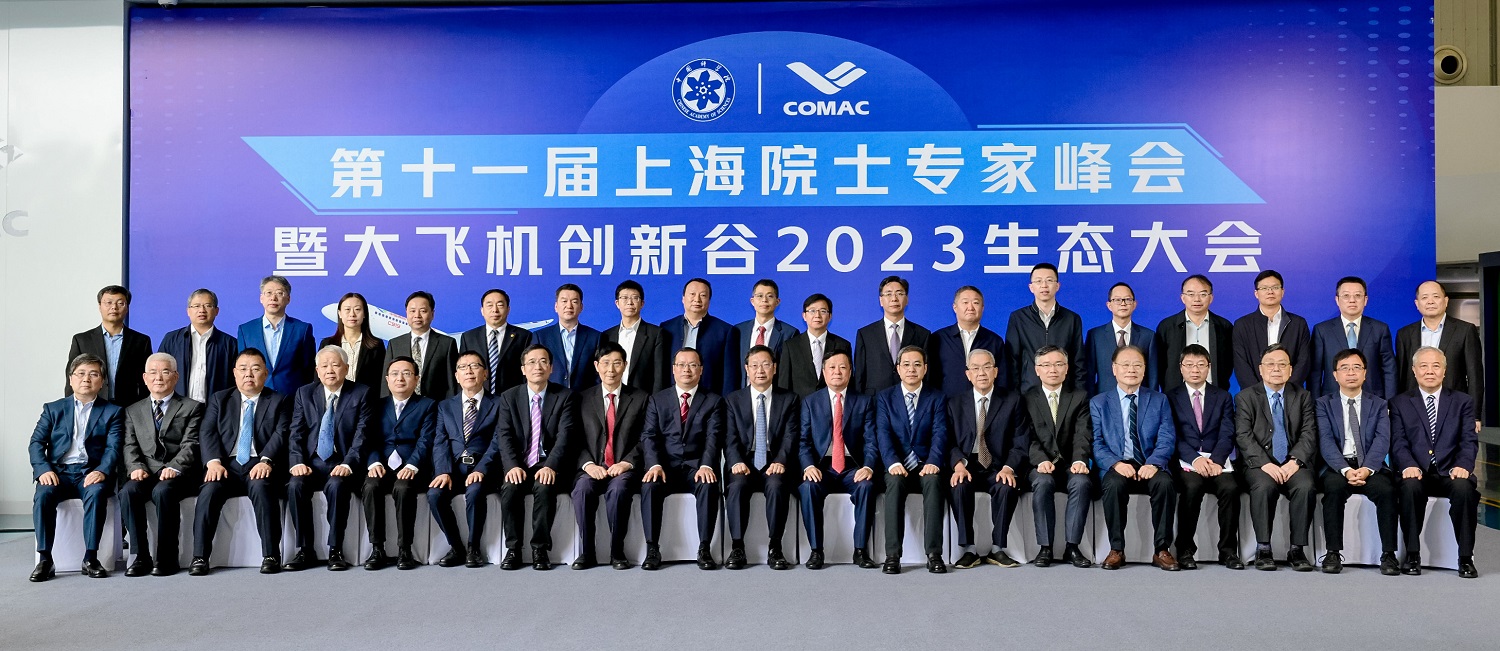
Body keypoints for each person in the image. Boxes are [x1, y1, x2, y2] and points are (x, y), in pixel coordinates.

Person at [190, 348, 291, 576]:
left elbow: (281, 433)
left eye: (255, 369)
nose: (249, 374)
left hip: (260, 463)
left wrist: (266, 461)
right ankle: (200, 557)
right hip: (226, 465)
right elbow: (207, 431)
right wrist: (213, 462)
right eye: (243, 369)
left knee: (262, 487)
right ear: (234, 373)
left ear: (265, 373)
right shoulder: (220, 399)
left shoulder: (279, 400)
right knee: (209, 490)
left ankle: (271, 555)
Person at [29, 354, 124, 582]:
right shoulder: (53, 409)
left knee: (97, 492)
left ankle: (90, 558)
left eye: (93, 374)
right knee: (43, 495)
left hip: (90, 472)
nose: (86, 379)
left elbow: (113, 448)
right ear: (71, 379)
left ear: (102, 381)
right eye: (80, 374)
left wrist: (102, 470)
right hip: (58, 472)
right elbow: (36, 443)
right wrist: (43, 470)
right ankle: (45, 560)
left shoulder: (112, 411)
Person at [284, 345, 375, 571]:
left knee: (337, 485)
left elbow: (363, 435)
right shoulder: (304, 393)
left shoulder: (361, 393)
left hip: (342, 461)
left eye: (335, 365)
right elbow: (296, 433)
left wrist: (348, 463)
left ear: (346, 368)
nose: (330, 370)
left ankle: (336, 550)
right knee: (295, 485)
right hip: (311, 462)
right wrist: (297, 462)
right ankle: (305, 550)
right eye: (324, 366)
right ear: (317, 370)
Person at [1391, 346, 1479, 578]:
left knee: (1464, 489)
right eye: (1424, 366)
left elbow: (1468, 440)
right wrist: (1408, 465)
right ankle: (1412, 555)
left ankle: (1465, 558)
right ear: (1414, 370)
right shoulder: (1399, 402)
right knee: (1410, 487)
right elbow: (1398, 441)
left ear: (1444, 370)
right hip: (1416, 471)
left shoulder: (1462, 401)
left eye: (1436, 366)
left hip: (1451, 471)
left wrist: (1464, 465)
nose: (1430, 371)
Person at [1091, 345, 1179, 571]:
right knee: (1113, 485)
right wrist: (1115, 463)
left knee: (1165, 484)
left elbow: (1167, 438)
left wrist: (1154, 462)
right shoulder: (1099, 402)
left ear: (1144, 369)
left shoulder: (1159, 400)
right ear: (1114, 369)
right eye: (1126, 365)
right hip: (1118, 463)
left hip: (1149, 462)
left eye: (1137, 365)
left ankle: (1162, 549)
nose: (1131, 370)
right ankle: (1116, 550)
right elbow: (1097, 442)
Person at [639, 348, 726, 570]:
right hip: (665, 468)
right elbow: (649, 436)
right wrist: (655, 464)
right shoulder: (657, 400)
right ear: (673, 369)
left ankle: (704, 548)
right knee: (649, 485)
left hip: (696, 467)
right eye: (681, 365)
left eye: (692, 365)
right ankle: (652, 549)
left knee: (708, 484)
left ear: (701, 370)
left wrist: (706, 465)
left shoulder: (713, 401)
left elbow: (713, 437)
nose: (687, 370)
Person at [1315, 349, 1399, 575]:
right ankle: (1333, 552)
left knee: (1387, 492)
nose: (1351, 373)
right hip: (1337, 466)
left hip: (1370, 465)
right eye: (1344, 368)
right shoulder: (1323, 404)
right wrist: (1344, 469)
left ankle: (1389, 554)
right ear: (1335, 375)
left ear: (1365, 373)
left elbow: (1382, 439)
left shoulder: (1379, 404)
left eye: (1356, 368)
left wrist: (1367, 469)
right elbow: (1325, 440)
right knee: (1333, 490)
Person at [119, 353, 204, 577]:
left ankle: (167, 558)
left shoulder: (192, 407)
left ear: (175, 377)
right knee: (128, 491)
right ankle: (140, 556)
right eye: (153, 372)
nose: (158, 377)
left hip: (180, 474)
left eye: (165, 372)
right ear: (145, 378)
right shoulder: (132, 410)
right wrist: (135, 467)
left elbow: (191, 444)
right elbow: (129, 445)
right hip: (146, 472)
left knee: (163, 491)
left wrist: (175, 467)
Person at [1235, 344, 1317, 571]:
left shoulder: (1302, 396)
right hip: (1259, 464)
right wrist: (1265, 463)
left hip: (1293, 463)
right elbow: (1243, 435)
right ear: (1260, 369)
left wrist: (1295, 461)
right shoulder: (1245, 397)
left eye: (1282, 364)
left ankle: (1297, 549)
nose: (1276, 369)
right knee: (1263, 487)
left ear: (1290, 370)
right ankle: (1263, 549)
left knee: (1305, 486)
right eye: (1270, 364)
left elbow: (1309, 433)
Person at [494, 344, 576, 571]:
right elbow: (504, 435)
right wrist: (511, 466)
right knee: (510, 488)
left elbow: (565, 436)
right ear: (523, 369)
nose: (537, 367)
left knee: (544, 486)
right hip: (520, 463)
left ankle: (540, 549)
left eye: (543, 362)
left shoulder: (565, 396)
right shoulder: (509, 397)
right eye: (531, 362)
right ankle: (513, 549)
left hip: (548, 462)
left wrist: (551, 466)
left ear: (551, 368)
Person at [946, 349, 1030, 569]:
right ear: (968, 374)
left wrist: (1009, 467)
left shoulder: (1013, 400)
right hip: (967, 464)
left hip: (999, 465)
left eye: (986, 367)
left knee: (1007, 486)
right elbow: (948, 441)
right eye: (975, 368)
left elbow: (1020, 441)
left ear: (995, 371)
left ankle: (997, 548)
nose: (981, 373)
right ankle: (969, 549)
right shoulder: (955, 403)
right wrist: (958, 465)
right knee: (959, 486)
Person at [798, 350, 880, 570]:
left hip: (853, 467)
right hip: (822, 467)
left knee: (867, 486)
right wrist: (808, 466)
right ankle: (816, 551)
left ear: (850, 372)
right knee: (807, 487)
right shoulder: (810, 402)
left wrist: (868, 466)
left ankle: (860, 551)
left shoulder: (864, 402)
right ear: (824, 372)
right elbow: (803, 441)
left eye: (843, 367)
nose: (837, 372)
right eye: (832, 367)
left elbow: (871, 441)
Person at [570, 342, 648, 570]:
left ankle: (617, 552)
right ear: (596, 366)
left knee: (619, 489)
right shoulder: (582, 399)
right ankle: (587, 552)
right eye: (605, 363)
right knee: (583, 489)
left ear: (625, 365)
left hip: (624, 468)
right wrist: (587, 464)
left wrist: (627, 463)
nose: (611, 369)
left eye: (616, 363)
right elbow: (573, 438)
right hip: (592, 466)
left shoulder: (641, 398)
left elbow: (646, 437)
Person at [722, 345, 800, 570]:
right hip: (744, 461)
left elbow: (791, 436)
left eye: (766, 365)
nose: (760, 370)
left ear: (774, 368)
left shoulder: (789, 399)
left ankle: (775, 547)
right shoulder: (733, 400)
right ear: (746, 369)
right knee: (737, 486)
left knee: (776, 485)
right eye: (755, 365)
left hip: (774, 461)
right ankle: (737, 547)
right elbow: (729, 437)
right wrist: (736, 461)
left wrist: (781, 461)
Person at [1166, 345, 1243, 570]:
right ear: (1181, 368)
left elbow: (1227, 432)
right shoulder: (1170, 397)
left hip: (1217, 461)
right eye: (1189, 365)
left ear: (1209, 367)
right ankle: (1185, 550)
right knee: (1192, 487)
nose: (1195, 370)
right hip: (1186, 461)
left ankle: (1228, 551)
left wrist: (1217, 460)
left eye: (1201, 365)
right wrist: (1195, 459)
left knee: (1230, 488)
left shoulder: (1223, 396)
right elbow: (1172, 435)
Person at [875, 345, 948, 574]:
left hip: (927, 463)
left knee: (934, 482)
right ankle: (892, 555)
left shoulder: (937, 397)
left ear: (925, 368)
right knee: (894, 484)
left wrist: (933, 461)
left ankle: (934, 554)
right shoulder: (885, 397)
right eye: (906, 364)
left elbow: (940, 433)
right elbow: (883, 433)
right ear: (898, 369)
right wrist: (893, 462)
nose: (911, 369)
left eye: (917, 364)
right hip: (898, 464)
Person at [427, 350, 503, 568]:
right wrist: (443, 471)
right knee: (434, 495)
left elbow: (498, 441)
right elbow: (440, 441)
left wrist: (482, 469)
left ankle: (473, 548)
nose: (469, 371)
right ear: (457, 376)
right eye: (463, 367)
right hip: (453, 469)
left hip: (484, 469)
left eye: (475, 366)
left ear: (485, 374)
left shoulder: (499, 403)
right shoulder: (445, 406)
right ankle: (456, 547)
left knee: (476, 491)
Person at [360, 356, 437, 571]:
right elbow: (368, 438)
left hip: (412, 467)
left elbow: (426, 440)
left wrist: (412, 465)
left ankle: (405, 549)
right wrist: (374, 462)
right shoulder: (376, 405)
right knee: (371, 486)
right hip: (382, 466)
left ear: (416, 379)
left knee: (403, 488)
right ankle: (377, 549)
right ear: (387, 379)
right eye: (394, 374)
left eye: (406, 373)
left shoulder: (428, 405)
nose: (400, 378)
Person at [1022, 345, 1094, 568]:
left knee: (1081, 483)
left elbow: (1083, 433)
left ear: (1067, 368)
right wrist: (1040, 460)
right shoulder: (1026, 398)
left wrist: (1080, 460)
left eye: (1058, 364)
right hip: (1040, 464)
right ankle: (1045, 547)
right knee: (1043, 483)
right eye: (1046, 365)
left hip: (1071, 464)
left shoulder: (1079, 396)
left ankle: (1072, 547)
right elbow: (1026, 436)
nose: (1052, 370)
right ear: (1037, 370)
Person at [1396, 280, 1484, 434]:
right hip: (1414, 409)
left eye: (1436, 296)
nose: (1430, 301)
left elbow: (1475, 375)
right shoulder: (1404, 334)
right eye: (1424, 297)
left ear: (1446, 301)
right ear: (1417, 304)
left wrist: (1474, 415)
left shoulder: (1465, 330)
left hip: (1454, 409)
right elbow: (1402, 376)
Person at [1310, 277, 1397, 400]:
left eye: (1357, 295)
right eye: (1346, 296)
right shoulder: (1322, 330)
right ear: (1337, 300)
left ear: (1365, 300)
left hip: (1373, 399)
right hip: (1332, 400)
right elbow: (1315, 372)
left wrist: (1389, 403)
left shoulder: (1380, 329)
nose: (1352, 300)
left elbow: (1389, 369)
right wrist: (1316, 403)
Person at [66, 285, 152, 405]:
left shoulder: (141, 341)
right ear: (99, 306)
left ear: (127, 308)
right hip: (91, 405)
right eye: (108, 303)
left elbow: (146, 379)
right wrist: (70, 408)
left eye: (120, 303)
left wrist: (143, 408)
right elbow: (71, 378)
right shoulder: (82, 340)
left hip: (128, 407)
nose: (114, 307)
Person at [1006, 263, 1085, 393]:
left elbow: (1079, 361)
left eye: (1049, 280)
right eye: (1038, 281)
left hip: (1065, 393)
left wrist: (1079, 395)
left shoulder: (1071, 318)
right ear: (1031, 287)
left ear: (1057, 286)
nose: (1044, 285)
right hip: (1029, 393)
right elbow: (1012, 361)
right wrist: (1014, 396)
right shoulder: (1018, 318)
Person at [1232, 270, 1312, 389]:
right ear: (1256, 293)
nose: (1270, 292)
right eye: (1264, 288)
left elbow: (1303, 361)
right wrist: (1257, 393)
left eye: (1275, 287)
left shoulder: (1298, 323)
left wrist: (1287, 391)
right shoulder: (1242, 325)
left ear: (1282, 291)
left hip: (1291, 394)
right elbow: (1241, 364)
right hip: (1253, 395)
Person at [236, 275, 316, 394]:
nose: (273, 298)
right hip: (257, 396)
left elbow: (308, 369)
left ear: (288, 299)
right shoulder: (246, 330)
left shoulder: (302, 329)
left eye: (279, 293)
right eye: (268, 293)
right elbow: (242, 367)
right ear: (261, 298)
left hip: (291, 397)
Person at [157, 288, 239, 402]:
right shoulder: (171, 339)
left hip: (215, 408)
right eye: (196, 306)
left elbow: (236, 381)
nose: (202, 310)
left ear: (216, 311)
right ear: (188, 311)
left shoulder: (230, 344)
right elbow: (159, 373)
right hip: (177, 407)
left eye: (208, 306)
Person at [853, 276, 931, 395]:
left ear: (907, 299)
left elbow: (927, 374)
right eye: (888, 294)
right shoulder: (865, 334)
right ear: (881, 300)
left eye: (899, 293)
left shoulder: (922, 334)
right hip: (874, 399)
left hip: (910, 398)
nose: (894, 299)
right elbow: (859, 374)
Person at [1155, 274, 1234, 391]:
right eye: (1191, 294)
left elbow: (1229, 363)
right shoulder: (1167, 326)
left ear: (1211, 298)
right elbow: (1160, 363)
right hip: (1176, 393)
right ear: (1183, 298)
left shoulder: (1224, 326)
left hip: (1214, 392)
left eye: (1203, 294)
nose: (1197, 299)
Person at [662, 278, 740, 395]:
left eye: (703, 295)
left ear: (709, 300)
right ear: (683, 298)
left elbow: (730, 375)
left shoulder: (725, 331)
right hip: (673, 397)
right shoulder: (667, 328)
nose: (697, 299)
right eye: (692, 294)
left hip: (710, 398)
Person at [927, 285, 1008, 397]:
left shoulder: (994, 341)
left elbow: (1002, 379)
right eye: (965, 302)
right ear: (955, 307)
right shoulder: (938, 338)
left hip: (984, 405)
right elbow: (930, 376)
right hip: (946, 404)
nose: (970, 307)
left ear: (982, 308)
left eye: (976, 303)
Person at [383, 290, 459, 400]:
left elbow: (452, 382)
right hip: (402, 406)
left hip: (436, 405)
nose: (417, 316)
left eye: (423, 311)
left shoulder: (447, 343)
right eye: (412, 311)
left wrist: (449, 407)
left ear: (432, 314)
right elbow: (386, 382)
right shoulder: (395, 344)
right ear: (406, 313)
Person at [1083, 282, 1157, 395]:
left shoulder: (1148, 336)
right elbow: (1089, 375)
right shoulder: (1095, 335)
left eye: (1127, 299)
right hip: (1105, 400)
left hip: (1140, 400)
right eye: (1117, 300)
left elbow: (1153, 376)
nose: (1123, 304)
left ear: (1134, 304)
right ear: (1109, 305)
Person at [602, 279, 672, 393]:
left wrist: (655, 401)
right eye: (624, 298)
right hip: (612, 396)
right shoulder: (607, 335)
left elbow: (659, 374)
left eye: (635, 298)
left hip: (643, 397)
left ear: (642, 303)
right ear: (617, 303)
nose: (630, 302)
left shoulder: (656, 334)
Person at [459, 288, 534, 396]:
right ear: (482, 310)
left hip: (513, 397)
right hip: (479, 397)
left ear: (508, 309)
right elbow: (462, 370)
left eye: (500, 305)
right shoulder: (469, 337)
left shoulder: (524, 336)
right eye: (489, 305)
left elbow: (528, 371)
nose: (495, 310)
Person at [776, 293, 851, 397]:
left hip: (832, 405)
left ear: (830, 316)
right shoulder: (791, 346)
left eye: (823, 311)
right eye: (812, 311)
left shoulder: (842, 345)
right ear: (804, 316)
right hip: (800, 405)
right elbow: (784, 384)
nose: (817, 315)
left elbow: (848, 381)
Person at [533, 283, 601, 391]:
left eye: (574, 301)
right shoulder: (540, 336)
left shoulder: (595, 337)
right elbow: (533, 370)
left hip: (585, 397)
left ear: (581, 307)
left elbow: (600, 373)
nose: (569, 306)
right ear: (556, 307)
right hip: (551, 396)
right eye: (564, 301)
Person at [320, 292, 387, 392]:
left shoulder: (376, 345)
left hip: (367, 400)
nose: (352, 314)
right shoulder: (327, 344)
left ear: (364, 314)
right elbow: (319, 379)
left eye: (357, 309)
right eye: (347, 309)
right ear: (340, 313)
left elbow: (381, 381)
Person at [735, 279, 799, 377]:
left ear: (777, 302)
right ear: (752, 301)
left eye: (770, 296)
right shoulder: (738, 330)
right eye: (760, 296)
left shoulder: (790, 333)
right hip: (744, 386)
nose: (764, 300)